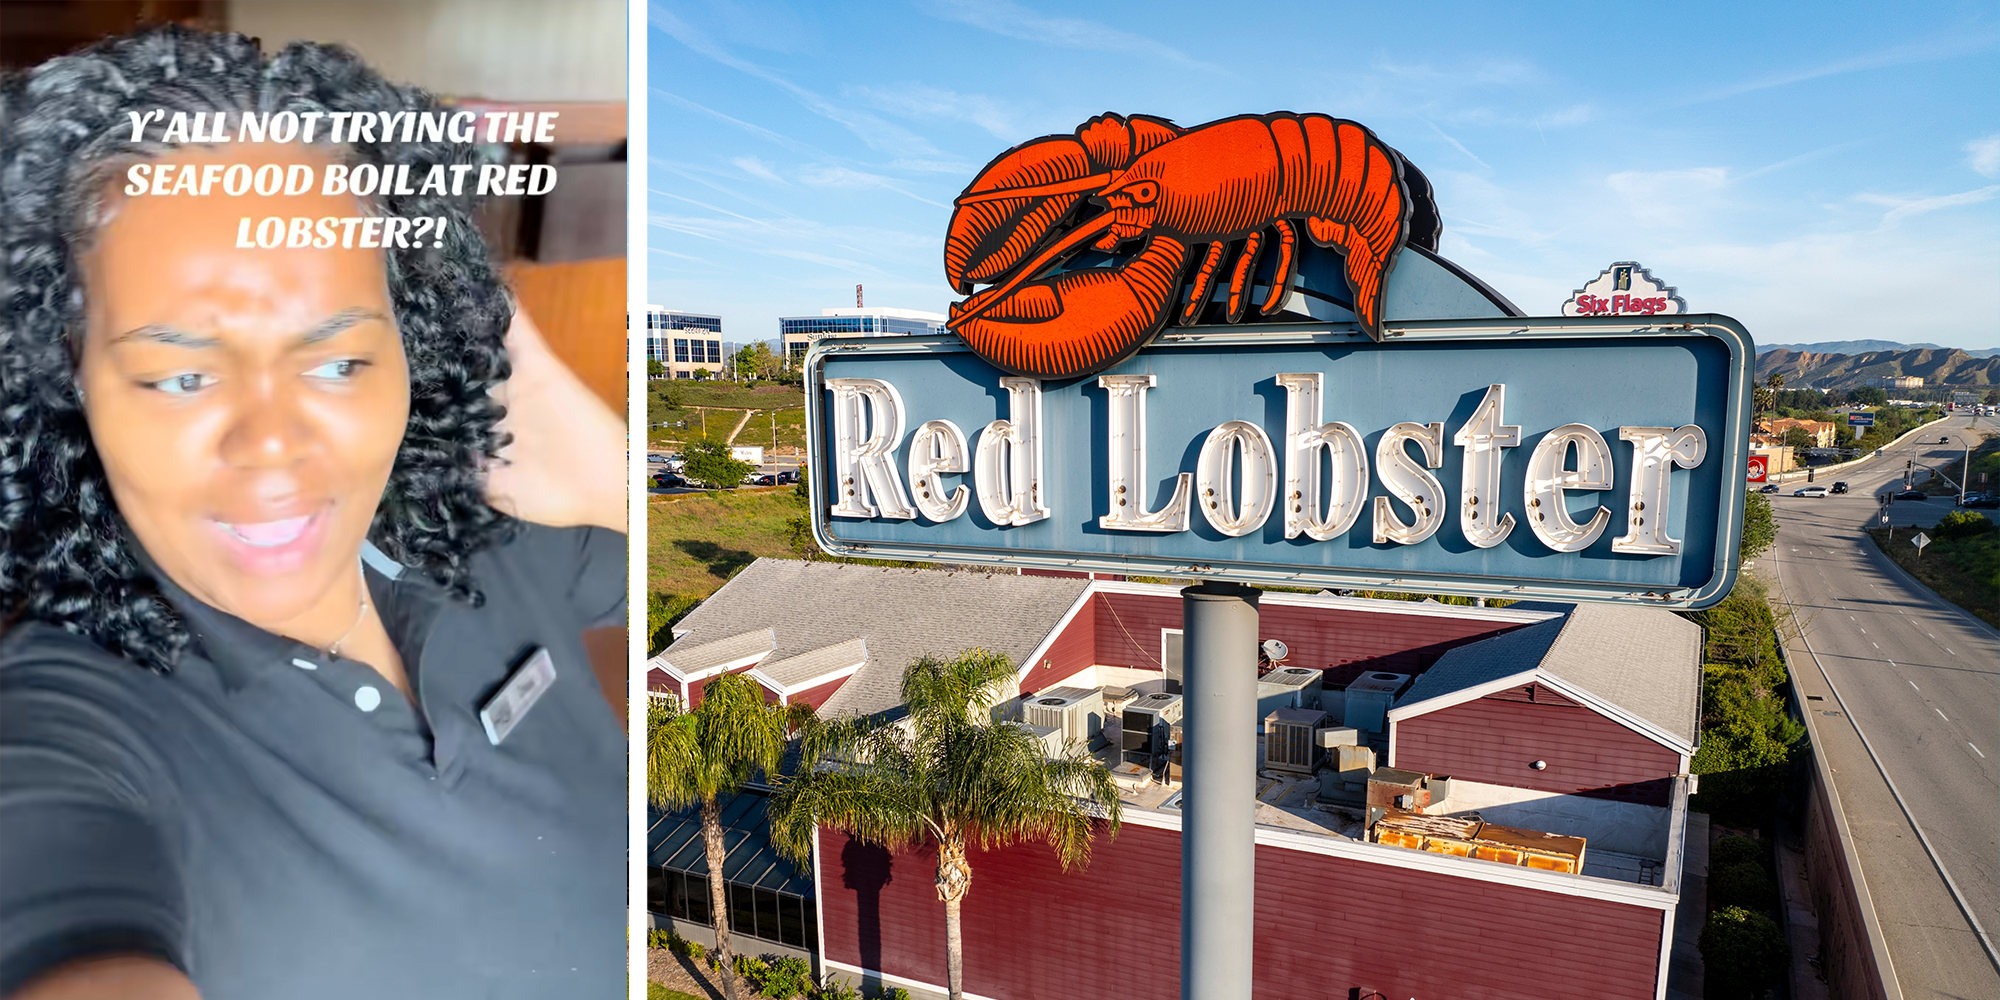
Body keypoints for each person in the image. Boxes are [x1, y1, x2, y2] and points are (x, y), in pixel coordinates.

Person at [0, 28, 628, 1000]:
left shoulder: (487, 532)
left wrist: (609, 470)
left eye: (338, 361)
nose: (273, 443)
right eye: (178, 375)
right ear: (64, 380)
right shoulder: (69, 729)